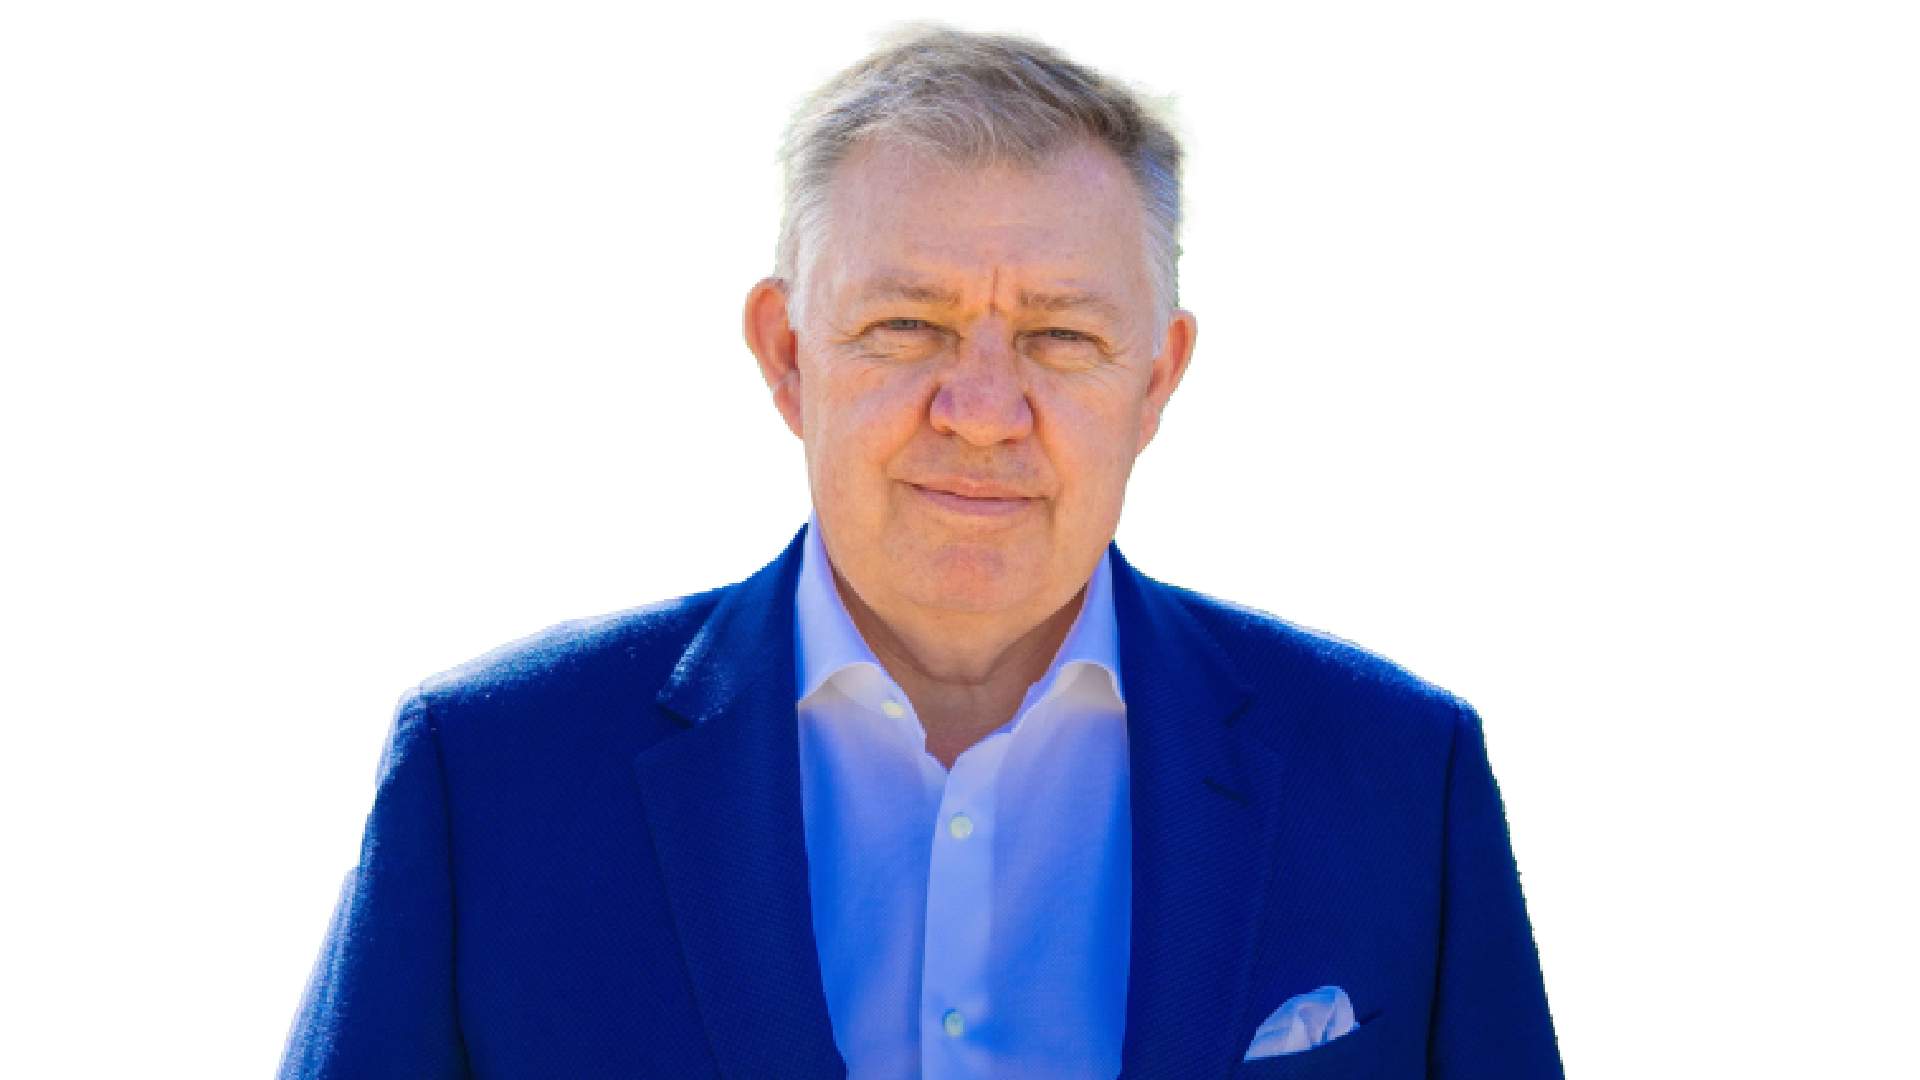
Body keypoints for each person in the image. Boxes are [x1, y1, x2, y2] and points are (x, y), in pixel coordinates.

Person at [278, 26, 1562, 1080]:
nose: (983, 409)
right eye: (907, 326)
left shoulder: (1399, 779)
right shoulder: (492, 779)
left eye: (1062, 337)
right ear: (787, 356)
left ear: (1158, 379)